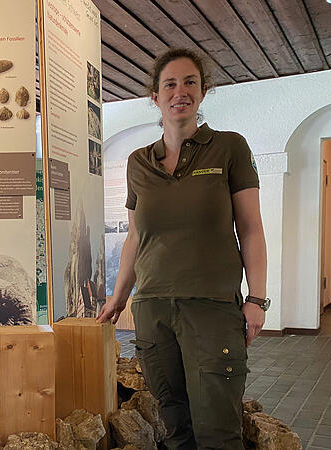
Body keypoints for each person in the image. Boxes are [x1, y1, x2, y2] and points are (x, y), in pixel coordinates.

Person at [97, 48, 269, 450]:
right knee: (175, 424)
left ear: (204, 90)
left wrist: (257, 299)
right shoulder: (140, 162)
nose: (180, 91)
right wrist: (118, 297)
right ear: (155, 96)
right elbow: (137, 237)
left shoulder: (229, 148)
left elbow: (251, 227)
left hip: (211, 308)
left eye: (190, 81)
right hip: (154, 309)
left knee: (218, 429)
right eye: (169, 84)